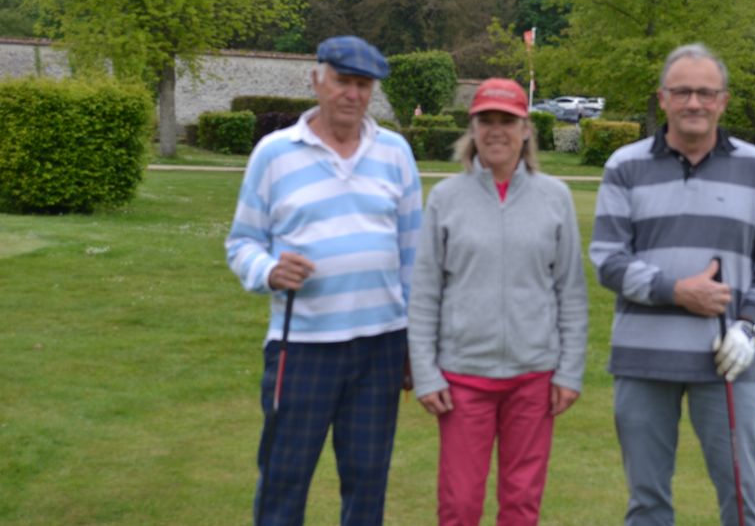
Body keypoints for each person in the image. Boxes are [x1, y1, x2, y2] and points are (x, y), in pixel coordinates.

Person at [589, 43, 755, 526]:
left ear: (724, 101)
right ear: (662, 98)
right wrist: (676, 291)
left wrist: (749, 325)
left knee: (743, 502)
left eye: (706, 93)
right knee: (647, 504)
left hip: (727, 359)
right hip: (643, 359)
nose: (694, 103)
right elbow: (608, 260)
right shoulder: (625, 166)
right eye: (681, 92)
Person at [225, 35, 422, 526]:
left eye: (363, 85)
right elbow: (242, 242)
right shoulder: (275, 154)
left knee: (367, 482)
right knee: (284, 478)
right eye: (342, 81)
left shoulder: (396, 152)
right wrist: (269, 271)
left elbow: (412, 258)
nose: (352, 94)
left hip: (380, 347)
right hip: (302, 346)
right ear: (317, 80)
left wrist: (414, 344)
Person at [407, 78, 589, 526]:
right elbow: (425, 293)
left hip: (534, 377)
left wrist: (569, 370)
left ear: (525, 129)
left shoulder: (555, 197)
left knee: (522, 504)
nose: (495, 131)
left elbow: (570, 292)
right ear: (472, 128)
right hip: (463, 377)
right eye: (485, 120)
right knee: (459, 504)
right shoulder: (446, 199)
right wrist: (425, 373)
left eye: (506, 121)